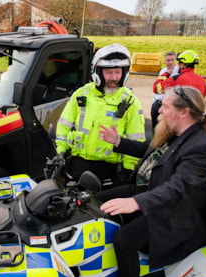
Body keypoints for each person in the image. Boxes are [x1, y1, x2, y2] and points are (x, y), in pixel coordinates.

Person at [97, 85, 206, 277]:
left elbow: (178, 187)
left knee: (124, 240)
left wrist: (136, 202)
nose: (159, 110)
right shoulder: (176, 131)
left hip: (176, 212)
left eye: (165, 106)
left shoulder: (201, 147)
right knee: (97, 201)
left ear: (183, 112)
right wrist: (118, 142)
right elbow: (151, 150)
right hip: (154, 192)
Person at [55, 43, 146, 187]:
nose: (114, 77)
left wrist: (128, 169)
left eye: (118, 72)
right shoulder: (81, 94)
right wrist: (60, 152)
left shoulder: (130, 101)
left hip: (108, 168)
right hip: (77, 163)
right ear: (97, 71)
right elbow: (64, 125)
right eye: (109, 72)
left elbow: (136, 138)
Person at [151, 51, 179, 131]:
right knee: (155, 128)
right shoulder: (162, 71)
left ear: (175, 60)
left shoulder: (178, 72)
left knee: (166, 129)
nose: (170, 62)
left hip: (168, 105)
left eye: (172, 60)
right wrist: (154, 102)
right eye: (168, 60)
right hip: (157, 103)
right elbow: (157, 87)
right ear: (164, 61)